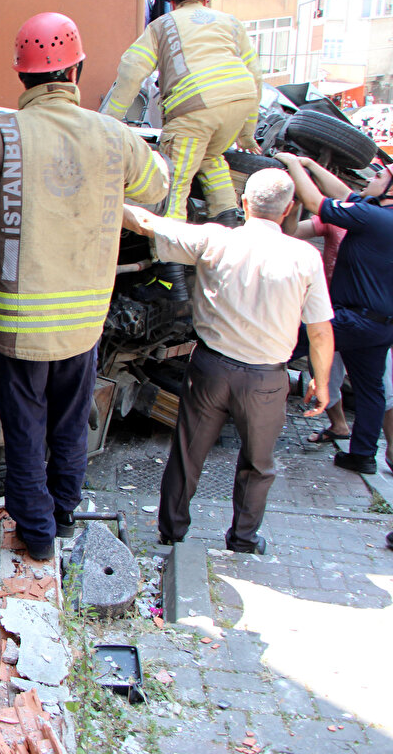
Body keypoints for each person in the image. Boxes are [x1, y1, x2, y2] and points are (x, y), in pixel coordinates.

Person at [0, 12, 169, 561]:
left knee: (24, 434)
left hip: (18, 327)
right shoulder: (115, 135)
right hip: (84, 325)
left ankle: (35, 536)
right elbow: (157, 186)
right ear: (77, 70)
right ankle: (61, 516)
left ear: (22, 77)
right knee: (68, 426)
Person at [122, 169, 334, 554]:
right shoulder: (305, 257)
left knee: (188, 453)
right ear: (288, 209)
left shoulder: (213, 239)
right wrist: (321, 380)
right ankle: (243, 540)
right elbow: (320, 331)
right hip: (266, 381)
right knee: (258, 465)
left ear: (244, 203)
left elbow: (147, 222)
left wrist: (106, 199)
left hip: (210, 369)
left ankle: (171, 533)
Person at [103, 0, 262, 229]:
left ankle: (171, 266)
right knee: (210, 157)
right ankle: (228, 230)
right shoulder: (231, 23)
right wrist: (247, 133)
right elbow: (255, 75)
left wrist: (108, 121)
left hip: (193, 109)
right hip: (240, 101)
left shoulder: (161, 25)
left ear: (173, 2)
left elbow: (131, 71)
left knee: (176, 180)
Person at [276, 153, 393, 475]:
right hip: (380, 326)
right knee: (371, 390)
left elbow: (317, 202)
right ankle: (363, 455)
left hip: (351, 319)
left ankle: (239, 414)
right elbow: (345, 196)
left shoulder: (374, 218)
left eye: (382, 174)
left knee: (278, 349)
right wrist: (313, 166)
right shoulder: (380, 215)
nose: (373, 175)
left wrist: (292, 164)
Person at [292, 213, 350, 443]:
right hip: (328, 308)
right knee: (322, 366)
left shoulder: (379, 223)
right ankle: (339, 425)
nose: (371, 177)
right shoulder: (339, 216)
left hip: (365, 313)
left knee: (379, 384)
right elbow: (292, 229)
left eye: (380, 175)